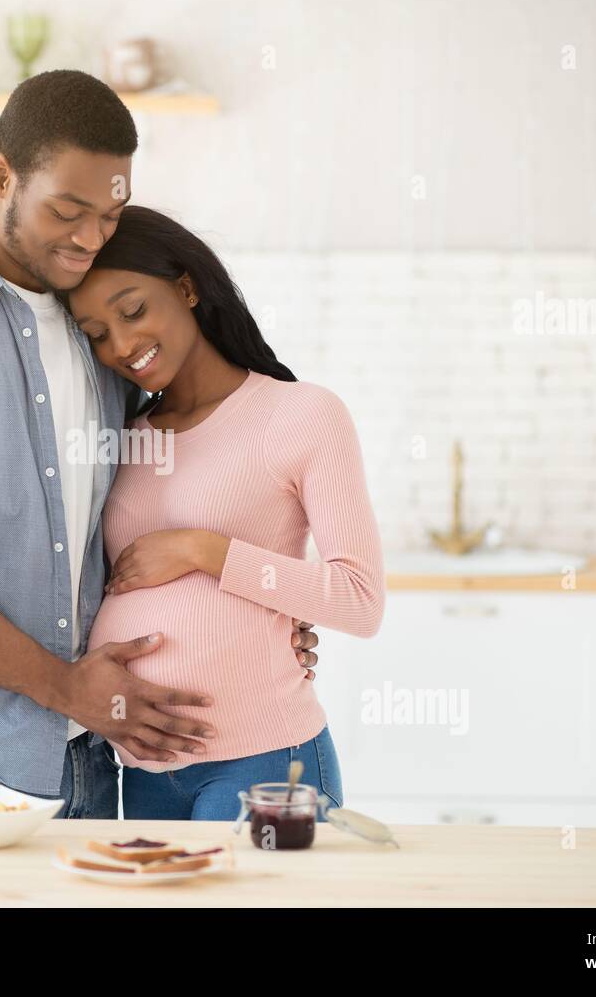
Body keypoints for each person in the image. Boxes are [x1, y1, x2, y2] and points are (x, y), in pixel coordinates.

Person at [0, 71, 325, 818]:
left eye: (108, 213)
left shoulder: (95, 329)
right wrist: (63, 685)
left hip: (95, 752)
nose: (92, 237)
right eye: (68, 211)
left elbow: (147, 516)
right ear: (0, 177)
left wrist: (264, 620)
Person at [68, 206, 385, 819]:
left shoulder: (301, 414)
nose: (122, 344)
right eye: (97, 333)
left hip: (265, 761)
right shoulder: (121, 434)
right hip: (140, 771)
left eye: (133, 311)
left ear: (186, 287)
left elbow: (359, 599)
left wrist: (202, 550)